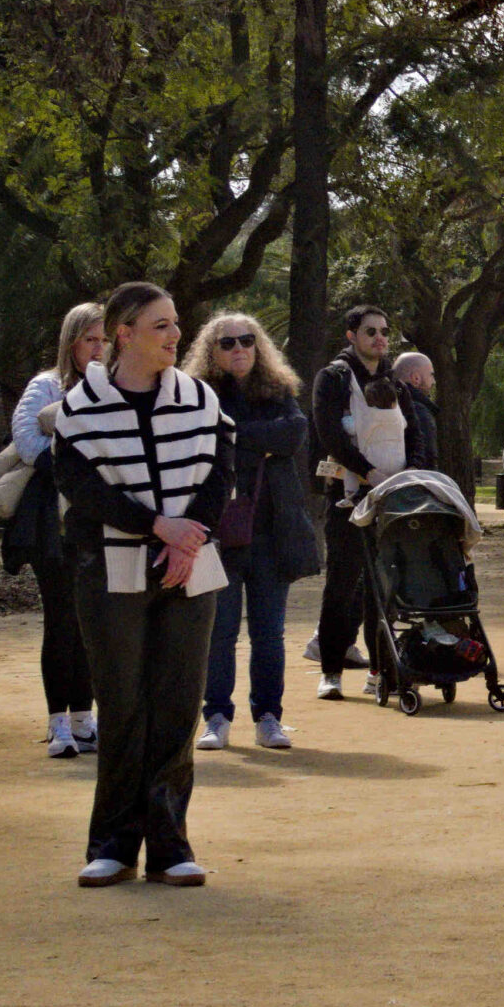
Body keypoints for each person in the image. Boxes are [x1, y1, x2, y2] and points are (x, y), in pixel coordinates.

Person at [53, 283, 233, 888]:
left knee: (179, 704)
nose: (176, 335)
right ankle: (111, 844)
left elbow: (219, 473)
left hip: (192, 568)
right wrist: (157, 526)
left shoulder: (200, 399)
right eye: (161, 325)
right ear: (123, 332)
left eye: (176, 323)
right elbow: (83, 491)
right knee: (124, 705)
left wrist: (191, 540)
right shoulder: (80, 406)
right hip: (110, 571)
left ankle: (171, 847)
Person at [185, 315, 318, 752]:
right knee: (219, 632)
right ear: (212, 350)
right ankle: (217, 716)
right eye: (228, 343)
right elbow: (198, 441)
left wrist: (233, 435)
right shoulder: (197, 395)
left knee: (269, 633)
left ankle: (268, 717)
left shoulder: (279, 392)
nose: (239, 348)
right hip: (218, 532)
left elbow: (294, 435)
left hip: (271, 533)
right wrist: (258, 440)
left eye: (247, 340)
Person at [10, 304, 105, 758]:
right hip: (54, 522)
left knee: (92, 622)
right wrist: (78, 464)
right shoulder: (46, 385)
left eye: (106, 340)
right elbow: (28, 442)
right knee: (62, 620)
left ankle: (86, 720)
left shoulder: (116, 387)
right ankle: (58, 723)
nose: (100, 348)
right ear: (73, 343)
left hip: (99, 522)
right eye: (91, 339)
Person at [308, 305, 403, 699]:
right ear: (351, 336)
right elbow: (330, 435)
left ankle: (380, 672)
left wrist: (410, 473)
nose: (379, 338)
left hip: (393, 498)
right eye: (370, 332)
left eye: (384, 332)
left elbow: (411, 433)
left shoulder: (392, 379)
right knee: (342, 585)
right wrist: (367, 472)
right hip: (348, 498)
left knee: (382, 590)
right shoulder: (332, 379)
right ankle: (331, 671)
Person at [392, 351, 439, 472]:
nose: (433, 381)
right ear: (416, 378)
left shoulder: (386, 405)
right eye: (431, 375)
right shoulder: (419, 411)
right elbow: (427, 458)